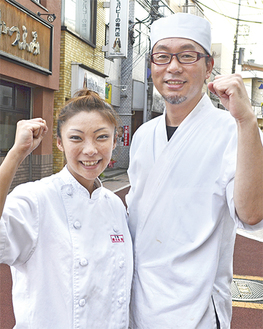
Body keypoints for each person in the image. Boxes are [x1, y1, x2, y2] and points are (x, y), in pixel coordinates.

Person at [126, 13, 263, 329]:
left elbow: (252, 214)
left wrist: (247, 121)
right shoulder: (144, 134)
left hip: (196, 309)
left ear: (208, 66)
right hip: (138, 300)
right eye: (162, 56)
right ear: (152, 67)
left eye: (187, 55)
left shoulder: (233, 131)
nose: (173, 67)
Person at [0, 89, 133, 328]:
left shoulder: (114, 205)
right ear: (60, 143)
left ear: (115, 141)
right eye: (76, 138)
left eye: (101, 137)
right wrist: (15, 155)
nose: (90, 150)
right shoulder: (36, 199)